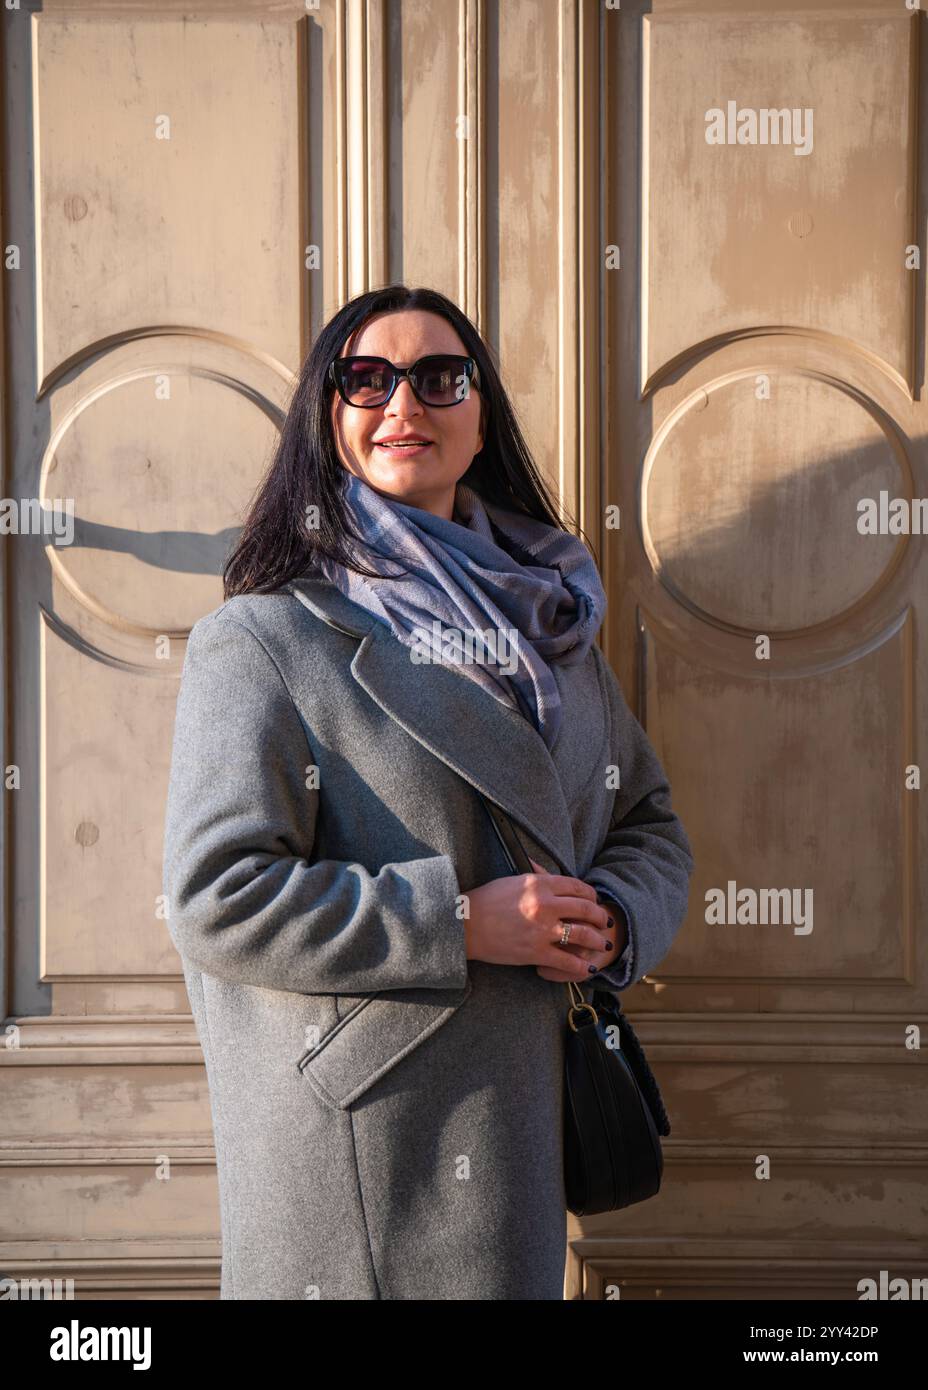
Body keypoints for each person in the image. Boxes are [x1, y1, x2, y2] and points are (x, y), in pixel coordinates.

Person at [162, 283, 694, 1301]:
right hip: (369, 1140)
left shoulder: (555, 621)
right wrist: (455, 921)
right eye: (365, 378)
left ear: (480, 411)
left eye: (439, 377)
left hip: (525, 1115)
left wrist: (613, 918)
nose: (403, 403)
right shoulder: (266, 637)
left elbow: (645, 817)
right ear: (328, 416)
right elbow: (216, 896)